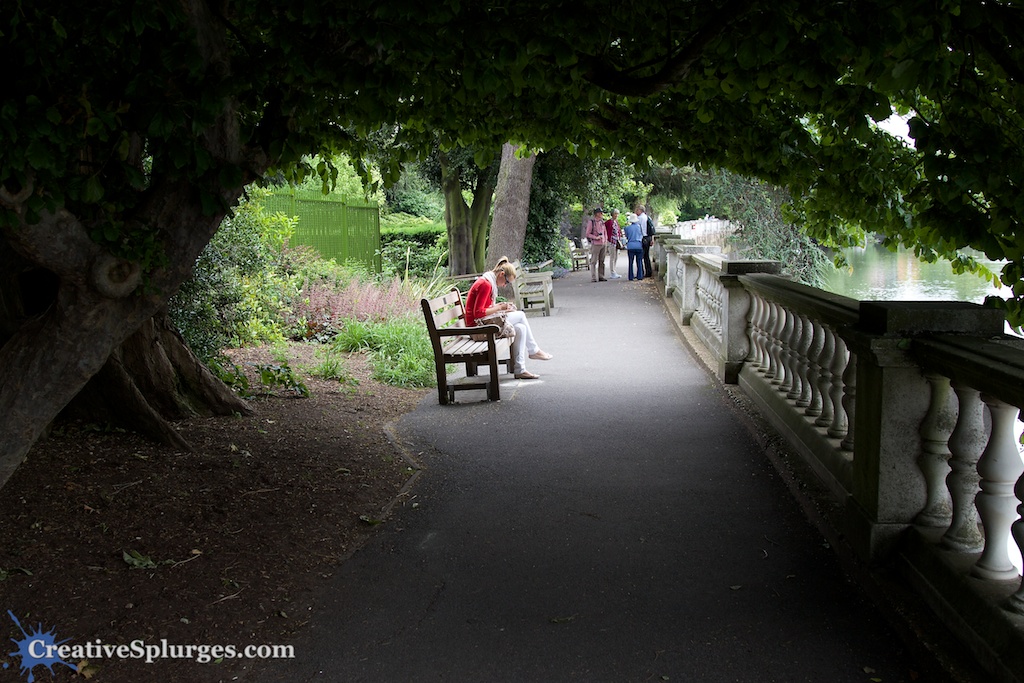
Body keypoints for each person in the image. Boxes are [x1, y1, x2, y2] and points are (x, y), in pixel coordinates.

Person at [465, 257, 552, 380]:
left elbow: (485, 309)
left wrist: (504, 308)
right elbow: (479, 313)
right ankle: (534, 350)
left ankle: (520, 370)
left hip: (482, 324)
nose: (505, 285)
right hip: (478, 329)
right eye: (506, 282)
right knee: (521, 315)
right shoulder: (485, 284)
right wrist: (501, 307)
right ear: (501, 274)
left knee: (520, 328)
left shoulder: (488, 282)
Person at [584, 207, 609, 282]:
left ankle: (601, 276)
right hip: (596, 244)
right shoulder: (591, 222)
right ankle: (593, 277)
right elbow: (587, 234)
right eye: (600, 213)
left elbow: (605, 232)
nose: (602, 214)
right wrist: (595, 237)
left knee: (602, 261)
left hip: (603, 244)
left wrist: (605, 240)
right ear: (596, 214)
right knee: (594, 261)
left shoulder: (602, 222)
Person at [623, 212, 645, 281]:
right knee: (639, 261)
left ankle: (631, 276)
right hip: (639, 245)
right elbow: (642, 235)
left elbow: (626, 236)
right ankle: (640, 276)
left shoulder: (627, 228)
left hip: (630, 246)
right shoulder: (640, 227)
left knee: (630, 262)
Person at [635, 203, 655, 278]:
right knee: (646, 256)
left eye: (637, 210)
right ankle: (648, 272)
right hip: (648, 238)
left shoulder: (639, 218)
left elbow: (638, 230)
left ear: (640, 210)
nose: (636, 212)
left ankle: (640, 273)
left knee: (640, 256)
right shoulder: (647, 217)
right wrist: (652, 239)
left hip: (643, 238)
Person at [604, 208, 622, 279]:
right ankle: (612, 272)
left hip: (616, 241)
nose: (617, 215)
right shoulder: (609, 222)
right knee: (612, 257)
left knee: (616, 257)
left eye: (617, 214)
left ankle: (614, 271)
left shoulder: (616, 222)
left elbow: (618, 231)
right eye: (615, 214)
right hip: (611, 241)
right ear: (612, 214)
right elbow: (604, 229)